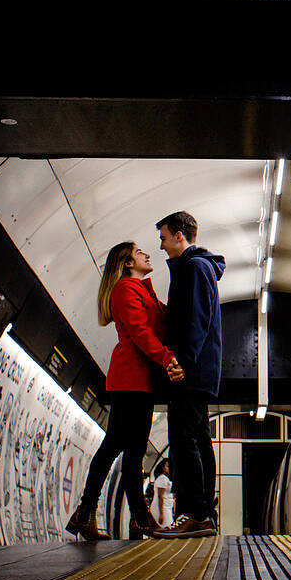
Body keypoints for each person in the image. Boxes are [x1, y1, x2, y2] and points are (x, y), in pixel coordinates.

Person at [65, 242, 184, 540]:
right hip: (130, 379)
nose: (146, 254)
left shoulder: (143, 291)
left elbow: (164, 321)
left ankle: (124, 518)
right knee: (118, 446)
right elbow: (140, 332)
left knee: (130, 451)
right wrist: (167, 358)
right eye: (139, 251)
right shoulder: (124, 289)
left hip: (140, 380)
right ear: (127, 263)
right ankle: (98, 514)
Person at [152, 211, 226, 539]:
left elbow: (198, 317)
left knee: (184, 440)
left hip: (192, 369)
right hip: (200, 369)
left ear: (179, 235)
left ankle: (195, 514)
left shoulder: (195, 267)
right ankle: (203, 513)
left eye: (164, 238)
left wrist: (183, 360)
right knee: (199, 439)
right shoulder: (197, 267)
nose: (161, 245)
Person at [152, 459, 175, 528]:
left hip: (167, 507)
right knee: (167, 527)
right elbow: (160, 496)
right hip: (162, 509)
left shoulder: (167, 479)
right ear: (163, 468)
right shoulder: (162, 479)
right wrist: (161, 514)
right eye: (167, 466)